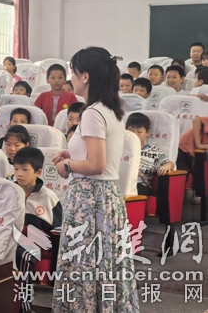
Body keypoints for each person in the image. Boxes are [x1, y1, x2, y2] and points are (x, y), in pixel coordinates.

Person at [52, 46, 139, 311]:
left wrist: (68, 165)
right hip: (107, 197)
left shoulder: (91, 113)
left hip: (89, 199)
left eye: (73, 71)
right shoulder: (110, 108)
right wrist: (74, 154)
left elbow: (96, 165)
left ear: (85, 76)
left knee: (84, 263)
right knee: (105, 264)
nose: (71, 77)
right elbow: (101, 157)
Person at [13, 147, 62, 313]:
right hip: (9, 238)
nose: (19, 174)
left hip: (37, 244)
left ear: (38, 172)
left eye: (25, 170)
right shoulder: (8, 191)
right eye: (16, 169)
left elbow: (58, 230)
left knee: (22, 255)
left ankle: (25, 306)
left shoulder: (48, 197)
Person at [125, 113, 174, 196]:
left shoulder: (153, 151)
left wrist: (167, 166)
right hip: (121, 181)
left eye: (139, 132)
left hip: (140, 184)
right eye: (131, 131)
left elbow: (169, 163)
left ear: (147, 133)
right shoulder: (120, 148)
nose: (135, 135)